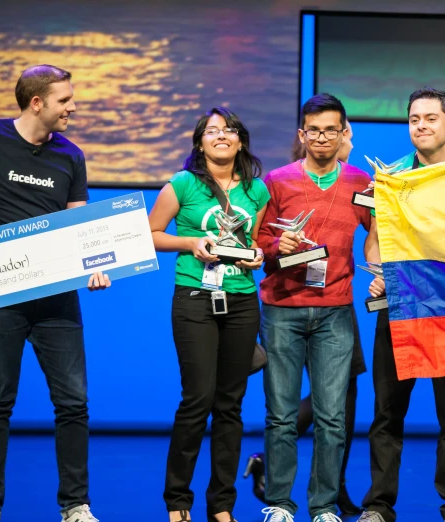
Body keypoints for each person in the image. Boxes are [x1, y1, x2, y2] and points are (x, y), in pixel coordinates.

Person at [0, 64, 110, 522]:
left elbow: (81, 222)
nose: (72, 108)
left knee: (73, 403)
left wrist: (95, 264)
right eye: (65, 101)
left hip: (57, 300)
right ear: (36, 102)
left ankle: (75, 505)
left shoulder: (71, 155)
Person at [358, 87, 445, 522]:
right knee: (387, 412)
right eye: (414, 119)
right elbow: (374, 242)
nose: (421, 126)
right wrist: (377, 274)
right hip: (399, 308)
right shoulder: (389, 180)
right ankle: (378, 505)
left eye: (430, 118)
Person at [148, 107, 270, 522]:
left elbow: (261, 242)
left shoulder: (258, 191)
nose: (222, 135)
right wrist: (191, 243)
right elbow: (151, 235)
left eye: (229, 129)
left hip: (241, 301)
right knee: (197, 400)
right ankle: (178, 501)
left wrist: (257, 256)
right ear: (200, 142)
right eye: (212, 131)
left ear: (240, 141)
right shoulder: (181, 185)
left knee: (230, 406)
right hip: (195, 298)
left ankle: (222, 504)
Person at [256, 94, 373, 522]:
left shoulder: (360, 183)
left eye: (331, 130)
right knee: (282, 416)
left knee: (332, 418)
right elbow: (256, 242)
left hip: (335, 311)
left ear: (344, 134)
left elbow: (378, 234)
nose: (322, 137)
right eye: (314, 130)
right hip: (282, 308)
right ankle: (280, 504)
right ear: (302, 135)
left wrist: (378, 270)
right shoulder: (277, 181)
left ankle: (323, 506)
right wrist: (274, 244)